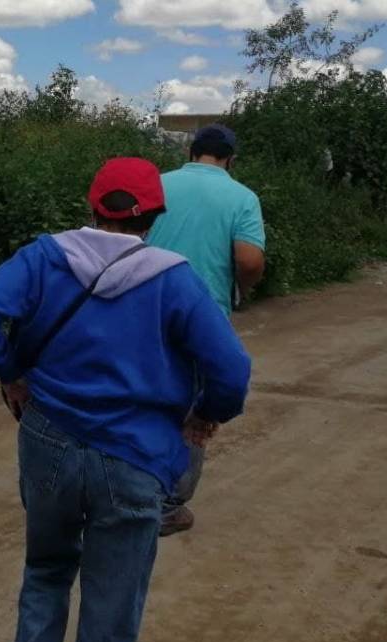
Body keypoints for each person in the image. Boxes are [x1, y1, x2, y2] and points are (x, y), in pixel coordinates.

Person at [0, 158, 251, 642]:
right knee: (113, 601)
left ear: (93, 206)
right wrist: (208, 413)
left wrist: (9, 372)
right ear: (155, 215)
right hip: (135, 455)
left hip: (47, 439)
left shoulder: (45, 256)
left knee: (46, 570)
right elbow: (232, 368)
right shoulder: (173, 278)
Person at [146, 124, 266, 536]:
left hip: (143, 308)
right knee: (192, 408)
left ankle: (127, 483)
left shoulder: (158, 185)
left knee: (141, 394)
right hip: (202, 317)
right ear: (230, 159)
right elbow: (249, 261)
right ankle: (168, 505)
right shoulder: (242, 197)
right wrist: (240, 288)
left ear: (192, 151)